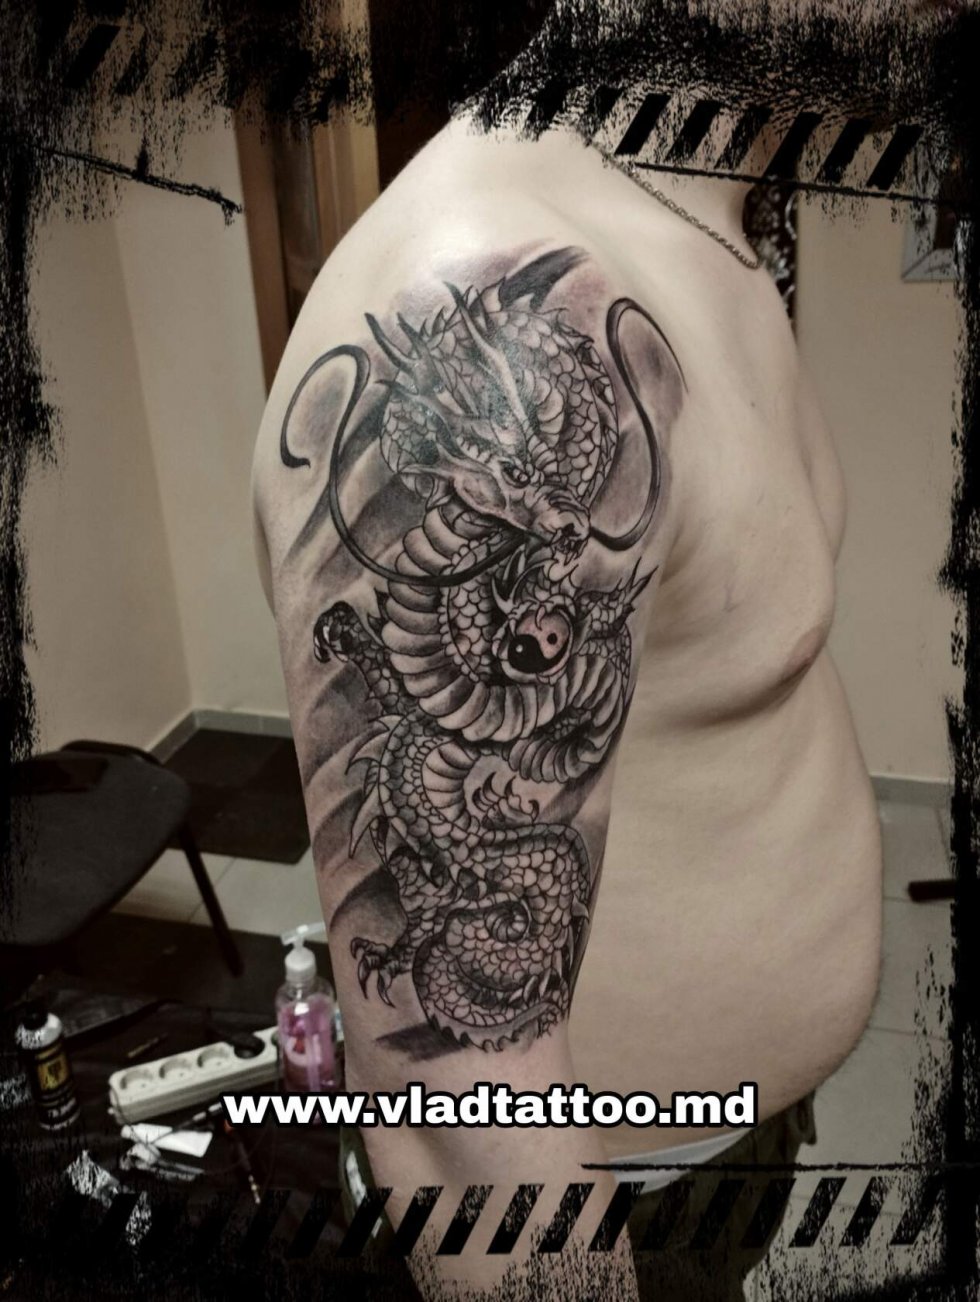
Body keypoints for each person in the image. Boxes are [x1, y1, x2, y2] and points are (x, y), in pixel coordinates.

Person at [251, 62, 882, 1299]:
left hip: (724, 1152)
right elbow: (458, 1122)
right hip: (612, 1210)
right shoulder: (499, 307)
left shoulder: (704, 225)